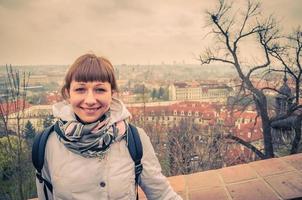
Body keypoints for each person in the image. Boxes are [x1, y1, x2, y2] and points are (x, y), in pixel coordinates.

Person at [35, 54, 182, 200]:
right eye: (80, 89)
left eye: (100, 90)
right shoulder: (47, 144)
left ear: (112, 93)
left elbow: (162, 195)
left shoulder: (134, 138)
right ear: (68, 93)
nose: (90, 100)